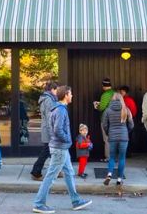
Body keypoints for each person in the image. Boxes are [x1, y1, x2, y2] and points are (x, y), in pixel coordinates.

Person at [33, 86, 92, 214]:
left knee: (69, 173)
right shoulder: (60, 110)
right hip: (60, 148)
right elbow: (57, 130)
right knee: (50, 177)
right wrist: (68, 140)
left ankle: (76, 201)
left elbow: (52, 128)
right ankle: (39, 203)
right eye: (71, 94)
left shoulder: (58, 108)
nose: (72, 96)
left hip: (60, 148)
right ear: (65, 95)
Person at [102, 93, 134, 186]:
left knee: (112, 157)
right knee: (122, 158)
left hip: (112, 137)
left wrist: (108, 133)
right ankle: (119, 179)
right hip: (124, 137)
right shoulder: (126, 110)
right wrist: (126, 131)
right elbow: (131, 125)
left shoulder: (107, 111)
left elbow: (104, 124)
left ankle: (109, 174)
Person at [31, 81, 58, 181]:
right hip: (49, 130)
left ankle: (56, 170)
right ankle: (36, 172)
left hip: (47, 129)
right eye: (56, 90)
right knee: (46, 151)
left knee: (53, 152)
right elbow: (50, 118)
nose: (57, 92)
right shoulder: (49, 100)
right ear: (52, 90)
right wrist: (53, 133)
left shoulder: (47, 99)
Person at [93, 78, 115, 162]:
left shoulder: (105, 94)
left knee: (106, 139)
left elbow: (102, 107)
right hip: (115, 119)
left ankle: (108, 157)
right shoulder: (114, 93)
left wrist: (96, 105)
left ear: (103, 86)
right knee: (113, 139)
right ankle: (114, 156)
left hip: (106, 119)